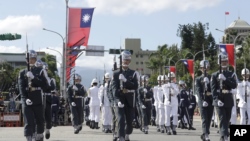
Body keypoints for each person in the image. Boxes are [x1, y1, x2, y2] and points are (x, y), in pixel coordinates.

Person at [18, 50, 49, 141]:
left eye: (32, 59)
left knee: (39, 120)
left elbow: (45, 86)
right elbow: (21, 87)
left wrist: (33, 78)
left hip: (37, 98)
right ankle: (29, 137)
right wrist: (25, 98)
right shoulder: (22, 72)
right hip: (27, 98)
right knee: (28, 120)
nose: (31, 60)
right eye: (29, 59)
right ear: (26, 60)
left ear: (35, 59)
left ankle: (39, 135)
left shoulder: (41, 71)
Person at [111, 50, 138, 141]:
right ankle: (121, 137)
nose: (125, 61)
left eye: (127, 60)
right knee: (121, 119)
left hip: (130, 99)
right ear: (121, 61)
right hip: (120, 99)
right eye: (124, 60)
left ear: (129, 61)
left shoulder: (133, 73)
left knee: (129, 121)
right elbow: (114, 88)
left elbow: (135, 86)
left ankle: (127, 133)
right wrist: (117, 100)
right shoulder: (116, 73)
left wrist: (126, 80)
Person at [210, 52, 237, 141]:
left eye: (225, 61)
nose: (224, 62)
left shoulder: (231, 74)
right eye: (222, 61)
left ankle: (224, 133)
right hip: (219, 98)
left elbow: (234, 85)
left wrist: (225, 79)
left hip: (228, 98)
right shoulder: (214, 75)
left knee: (227, 118)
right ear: (219, 62)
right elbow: (213, 89)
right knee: (222, 117)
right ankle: (224, 136)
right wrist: (216, 99)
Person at [195, 60, 214, 141]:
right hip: (202, 100)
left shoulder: (212, 78)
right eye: (204, 68)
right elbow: (198, 91)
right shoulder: (198, 79)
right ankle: (206, 134)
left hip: (210, 100)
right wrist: (202, 100)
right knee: (204, 118)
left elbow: (213, 89)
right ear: (201, 69)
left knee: (209, 118)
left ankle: (205, 133)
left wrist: (209, 82)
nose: (205, 69)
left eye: (207, 68)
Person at [42, 62, 56, 139]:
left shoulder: (50, 79)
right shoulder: (38, 79)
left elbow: (52, 87)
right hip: (39, 98)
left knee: (48, 116)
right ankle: (39, 132)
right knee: (40, 116)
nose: (45, 71)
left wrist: (47, 80)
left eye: (46, 70)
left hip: (47, 99)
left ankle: (47, 129)